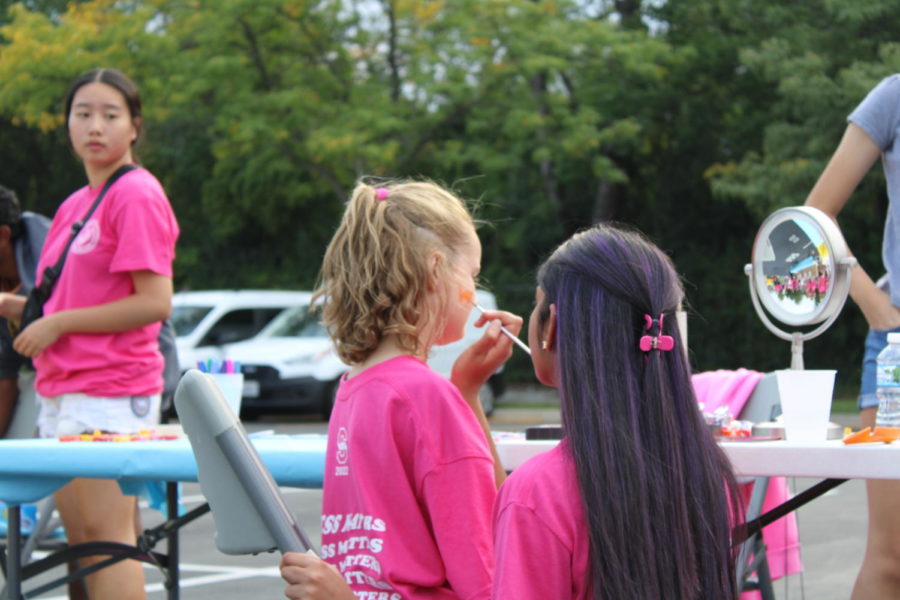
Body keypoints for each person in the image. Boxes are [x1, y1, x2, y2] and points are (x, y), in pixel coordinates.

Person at [281, 224, 742, 600]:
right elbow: (523, 515)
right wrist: (467, 393)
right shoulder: (709, 477)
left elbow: (528, 517)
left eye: (537, 304)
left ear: (552, 326)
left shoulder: (540, 490)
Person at [284, 179, 521, 599]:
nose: (475, 294)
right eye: (472, 273)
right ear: (434, 271)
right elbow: (488, 575)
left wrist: (466, 391)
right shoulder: (426, 397)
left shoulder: (353, 389)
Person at [7, 68, 179, 600]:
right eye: (83, 114)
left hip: (111, 390)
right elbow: (53, 304)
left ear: (134, 128)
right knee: (80, 542)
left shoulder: (137, 194)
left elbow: (155, 302)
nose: (95, 126)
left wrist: (57, 324)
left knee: (108, 542)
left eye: (110, 114)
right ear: (67, 126)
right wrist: (21, 310)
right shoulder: (74, 204)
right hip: (63, 391)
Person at [804, 73, 900, 600]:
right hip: (897, 350)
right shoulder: (893, 96)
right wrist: (877, 307)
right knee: (892, 562)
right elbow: (815, 215)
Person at [0, 185, 49, 437]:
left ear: (3, 235)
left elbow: (63, 309)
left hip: (128, 385)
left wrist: (10, 306)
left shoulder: (48, 246)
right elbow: (4, 373)